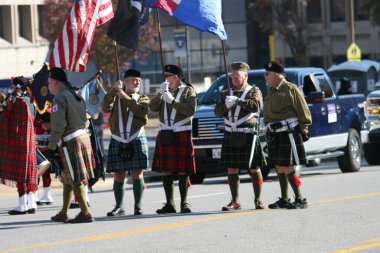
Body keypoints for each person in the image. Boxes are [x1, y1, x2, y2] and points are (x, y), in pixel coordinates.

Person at [215, 62, 267, 211]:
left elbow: (256, 105)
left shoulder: (253, 90)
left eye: (237, 75)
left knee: (254, 168)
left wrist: (238, 101)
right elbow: (217, 112)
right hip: (231, 133)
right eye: (232, 76)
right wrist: (226, 105)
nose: (234, 78)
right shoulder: (226, 93)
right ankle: (235, 201)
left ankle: (258, 199)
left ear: (245, 76)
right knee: (231, 168)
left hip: (248, 134)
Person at [46, 67, 96, 223]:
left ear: (55, 82)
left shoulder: (59, 98)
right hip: (82, 138)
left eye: (49, 83)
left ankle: (86, 213)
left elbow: (58, 126)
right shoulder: (75, 95)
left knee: (75, 178)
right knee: (68, 177)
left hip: (71, 142)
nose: (48, 86)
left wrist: (51, 146)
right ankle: (63, 212)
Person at [263, 61, 312, 209]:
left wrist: (304, 131)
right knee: (279, 166)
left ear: (277, 75)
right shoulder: (271, 90)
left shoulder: (291, 89)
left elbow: (304, 112)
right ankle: (284, 198)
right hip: (275, 134)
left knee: (288, 166)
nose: (265, 76)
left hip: (289, 132)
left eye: (268, 74)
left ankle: (300, 198)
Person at [149, 64, 197, 214]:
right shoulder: (164, 90)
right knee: (166, 170)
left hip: (181, 131)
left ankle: (184, 203)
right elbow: (152, 107)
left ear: (176, 77)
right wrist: (160, 94)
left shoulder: (188, 91)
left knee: (183, 170)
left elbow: (190, 110)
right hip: (165, 133)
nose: (165, 78)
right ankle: (170, 203)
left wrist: (172, 101)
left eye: (167, 76)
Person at [101, 69, 149, 216]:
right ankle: (119, 206)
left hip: (136, 137)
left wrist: (125, 98)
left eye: (139, 81)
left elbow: (141, 111)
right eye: (134, 80)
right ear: (125, 81)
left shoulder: (143, 98)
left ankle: (138, 206)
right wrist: (114, 91)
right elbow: (104, 107)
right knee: (118, 174)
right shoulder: (116, 96)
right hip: (118, 138)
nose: (137, 82)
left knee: (137, 173)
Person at [0, 77, 39, 215]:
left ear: (17, 86)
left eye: (13, 86)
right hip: (29, 139)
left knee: (21, 172)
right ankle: (32, 201)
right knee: (30, 171)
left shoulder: (14, 101)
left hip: (18, 140)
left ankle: (23, 204)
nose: (11, 88)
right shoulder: (31, 101)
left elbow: (5, 118)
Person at [34, 110, 54, 205]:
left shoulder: (46, 110)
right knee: (40, 172)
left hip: (43, 143)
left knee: (41, 171)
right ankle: (38, 195)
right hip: (39, 142)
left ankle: (45, 195)